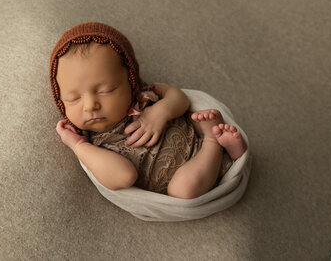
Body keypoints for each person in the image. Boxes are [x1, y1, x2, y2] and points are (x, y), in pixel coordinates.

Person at [49, 22, 247, 199]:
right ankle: (213, 143)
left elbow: (180, 98)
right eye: (73, 98)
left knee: (195, 114)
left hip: (192, 137)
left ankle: (220, 143)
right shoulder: (95, 144)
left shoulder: (145, 95)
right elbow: (123, 176)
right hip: (191, 174)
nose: (90, 105)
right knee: (182, 190)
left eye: (105, 90)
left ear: (131, 82)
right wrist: (78, 146)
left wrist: (162, 110)